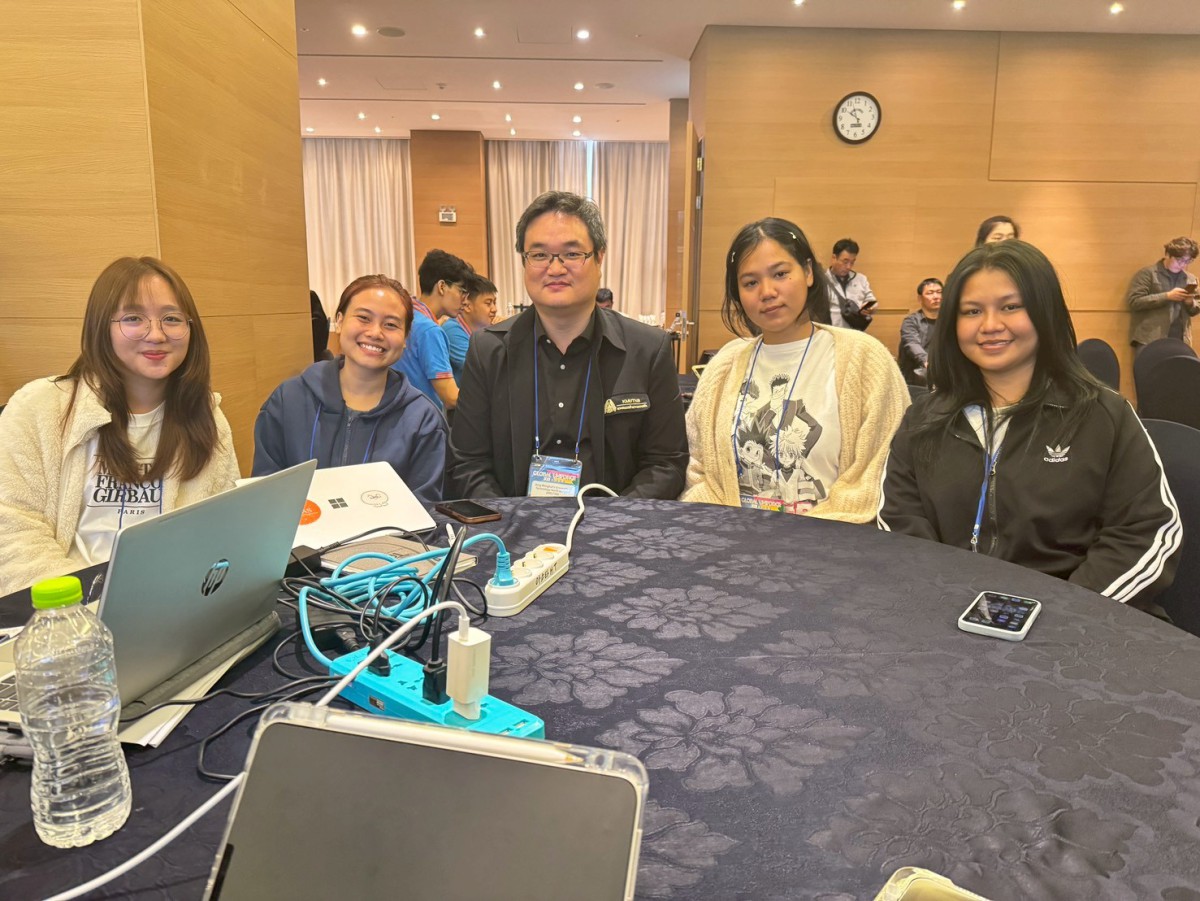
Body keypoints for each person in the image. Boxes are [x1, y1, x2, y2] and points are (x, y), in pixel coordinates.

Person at [878, 240, 1181, 611]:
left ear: (1044, 311)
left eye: (1011, 307)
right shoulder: (924, 419)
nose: (990, 326)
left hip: (1080, 620)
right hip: (950, 616)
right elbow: (900, 524)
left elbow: (1146, 533)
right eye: (972, 311)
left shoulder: (1103, 413)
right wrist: (948, 605)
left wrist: (1057, 614)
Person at [0, 257, 240, 594]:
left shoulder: (206, 415)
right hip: (67, 606)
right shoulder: (38, 407)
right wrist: (84, 606)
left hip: (171, 601)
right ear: (101, 327)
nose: (156, 334)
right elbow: (13, 530)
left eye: (171, 319)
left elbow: (222, 529)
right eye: (133, 318)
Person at [450, 191, 688, 499]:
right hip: (514, 525)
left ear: (599, 257)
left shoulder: (648, 350)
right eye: (539, 255)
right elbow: (467, 464)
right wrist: (513, 520)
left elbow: (665, 464)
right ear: (524, 262)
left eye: (572, 254)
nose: (555, 269)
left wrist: (614, 521)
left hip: (618, 524)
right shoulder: (488, 351)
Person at [682, 218, 909, 521]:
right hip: (730, 539)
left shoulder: (865, 359)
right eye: (750, 282)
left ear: (809, 272)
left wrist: (806, 539)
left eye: (780, 274)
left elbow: (877, 474)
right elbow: (699, 470)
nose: (767, 291)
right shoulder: (724, 365)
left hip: (836, 540)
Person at [253, 274, 446, 505]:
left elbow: (423, 507)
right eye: (364, 318)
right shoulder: (288, 401)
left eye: (391, 325)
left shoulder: (422, 419)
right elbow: (265, 495)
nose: (375, 333)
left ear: (405, 338)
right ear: (340, 320)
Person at [395, 249, 474, 412]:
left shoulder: (406, 316)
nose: (465, 301)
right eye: (462, 291)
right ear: (442, 286)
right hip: (420, 419)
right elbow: (451, 398)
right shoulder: (429, 330)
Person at [1126, 236, 1199, 352]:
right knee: (1148, 364)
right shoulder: (1148, 274)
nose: (1183, 265)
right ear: (1168, 254)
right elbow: (1134, 302)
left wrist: (1190, 303)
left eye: (1187, 261)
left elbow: (1195, 309)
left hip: (1180, 339)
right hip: (1149, 339)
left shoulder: (1190, 279)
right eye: (1179, 260)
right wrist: (1167, 296)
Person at [442, 274, 498, 383]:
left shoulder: (483, 330)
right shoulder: (452, 330)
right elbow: (480, 370)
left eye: (494, 303)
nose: (494, 309)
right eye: (488, 303)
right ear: (467, 306)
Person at [898, 278, 943, 386]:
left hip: (944, 371)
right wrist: (927, 362)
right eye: (930, 293)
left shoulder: (949, 321)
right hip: (918, 375)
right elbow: (912, 344)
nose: (936, 296)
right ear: (920, 298)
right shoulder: (911, 321)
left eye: (939, 292)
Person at [824, 238, 875, 330]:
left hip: (855, 333)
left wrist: (869, 308)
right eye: (845, 262)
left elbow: (871, 301)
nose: (848, 267)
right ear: (834, 258)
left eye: (852, 262)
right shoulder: (821, 281)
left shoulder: (861, 279)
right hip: (831, 333)